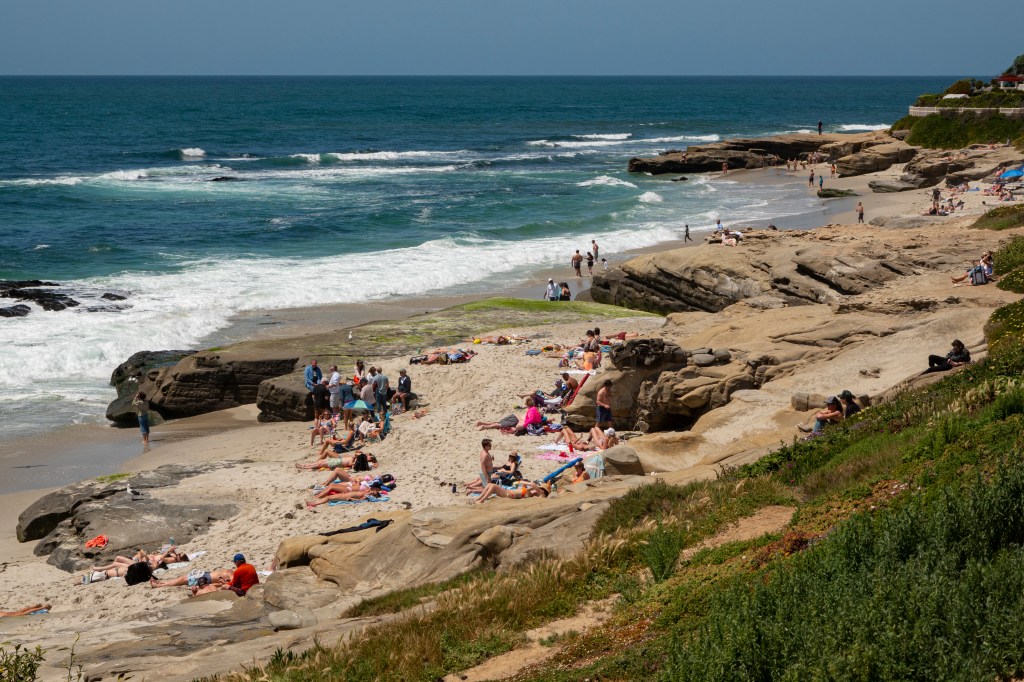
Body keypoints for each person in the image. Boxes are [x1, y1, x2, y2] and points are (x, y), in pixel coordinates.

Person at [476, 480, 550, 504]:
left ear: (543, 491)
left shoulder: (541, 495)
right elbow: (526, 486)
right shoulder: (531, 492)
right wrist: (525, 485)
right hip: (508, 492)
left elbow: (532, 484)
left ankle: (482, 500)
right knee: (490, 484)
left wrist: (520, 481)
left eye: (541, 489)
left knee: (493, 486)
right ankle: (479, 498)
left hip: (509, 494)